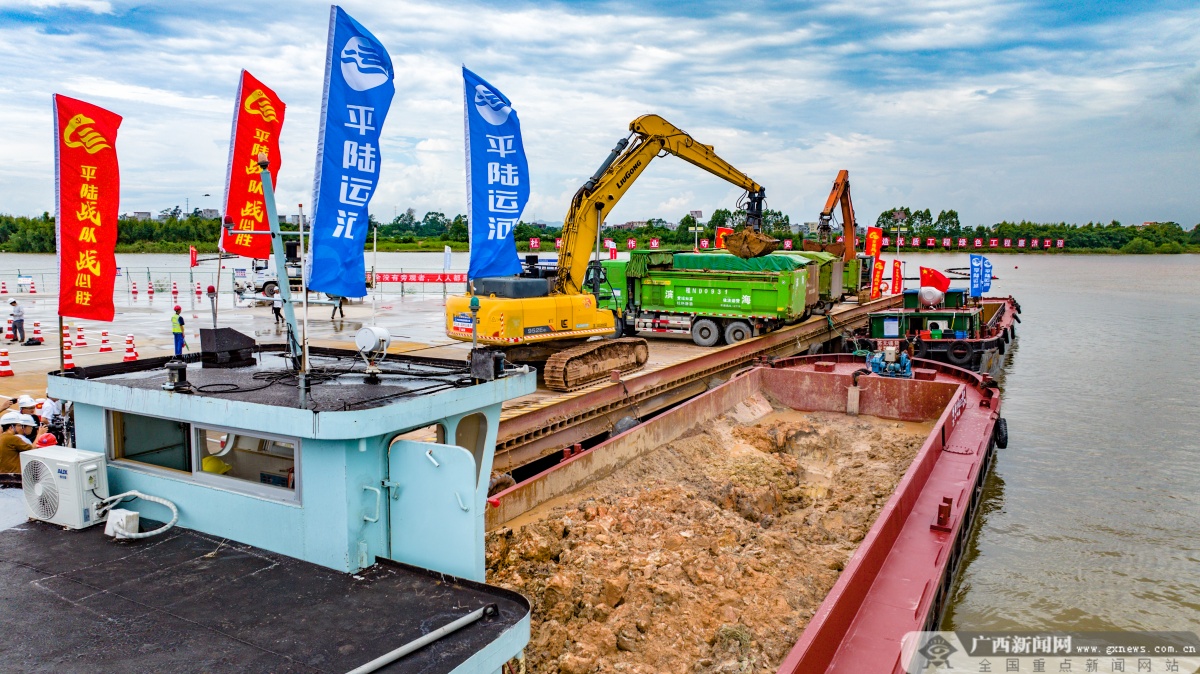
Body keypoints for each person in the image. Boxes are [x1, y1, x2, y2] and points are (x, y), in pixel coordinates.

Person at [0, 411, 44, 476]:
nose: (21, 427)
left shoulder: (2, 437)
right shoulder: (12, 438)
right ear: (11, 427)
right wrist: (40, 434)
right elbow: (32, 449)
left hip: (3, 475)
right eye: (19, 425)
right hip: (14, 476)